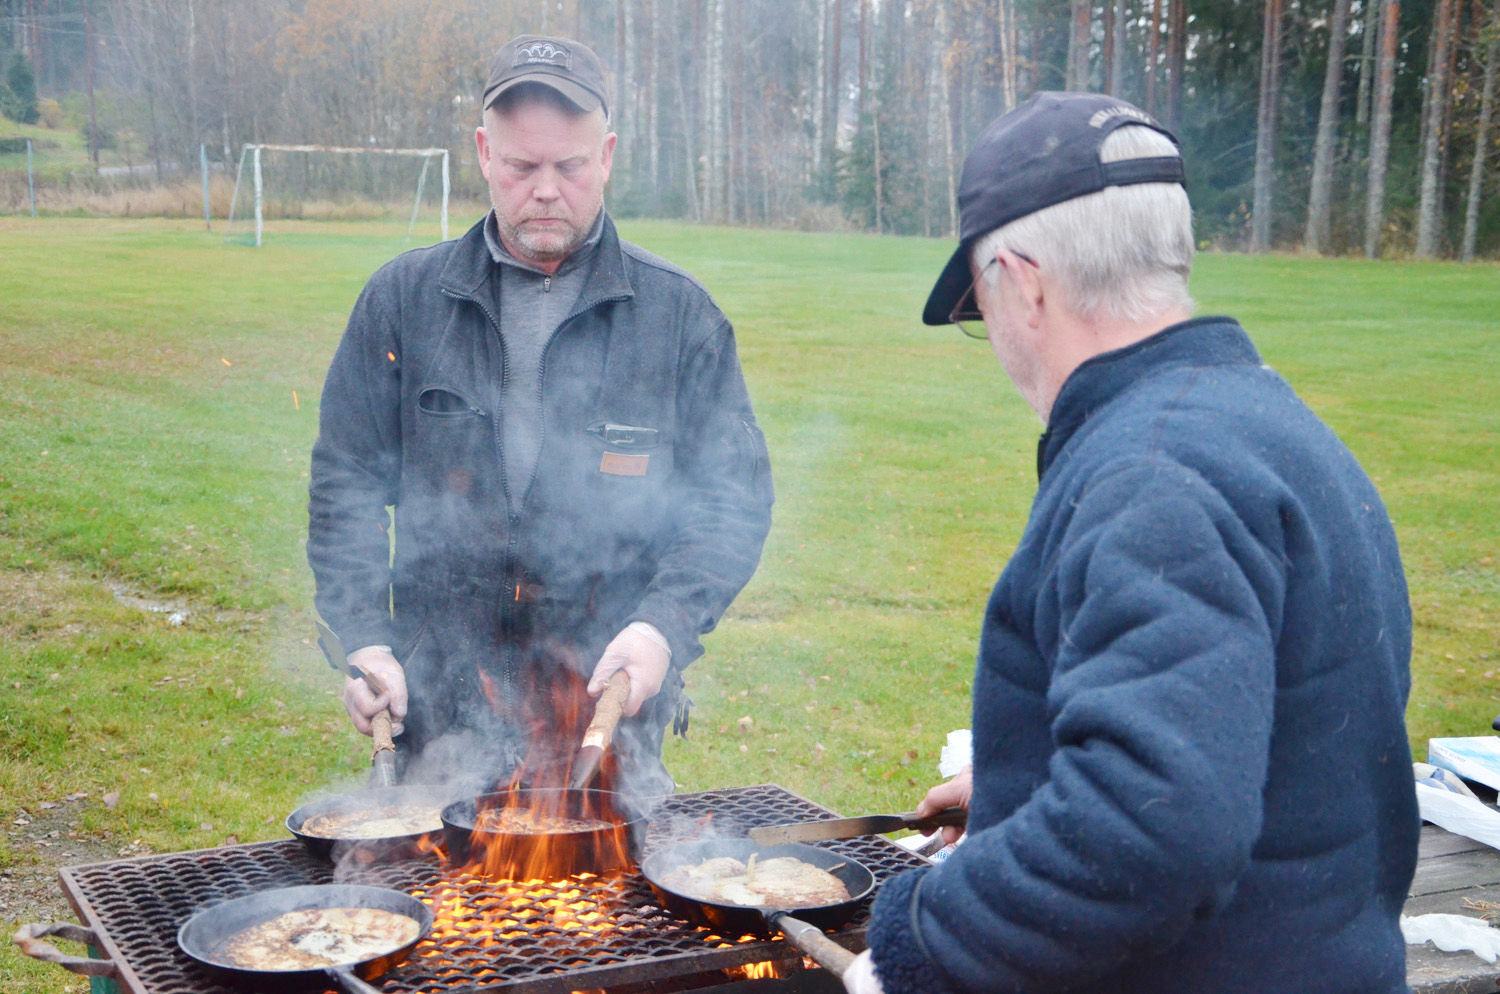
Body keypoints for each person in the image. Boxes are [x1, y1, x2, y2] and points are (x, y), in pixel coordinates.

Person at [843, 92, 1417, 994]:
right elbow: (1266, 732)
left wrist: (926, 943)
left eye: (979, 307)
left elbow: (1153, 829)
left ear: (1022, 282)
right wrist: (1025, 781)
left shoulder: (1152, 476)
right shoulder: (1268, 424)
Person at [306, 34, 773, 797]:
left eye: (571, 166)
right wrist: (365, 639)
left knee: (610, 874)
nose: (547, 190)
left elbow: (732, 503)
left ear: (607, 157)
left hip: (605, 717)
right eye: (523, 167)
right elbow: (345, 483)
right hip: (440, 707)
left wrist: (661, 627)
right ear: (485, 155)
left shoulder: (679, 318)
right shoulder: (402, 303)